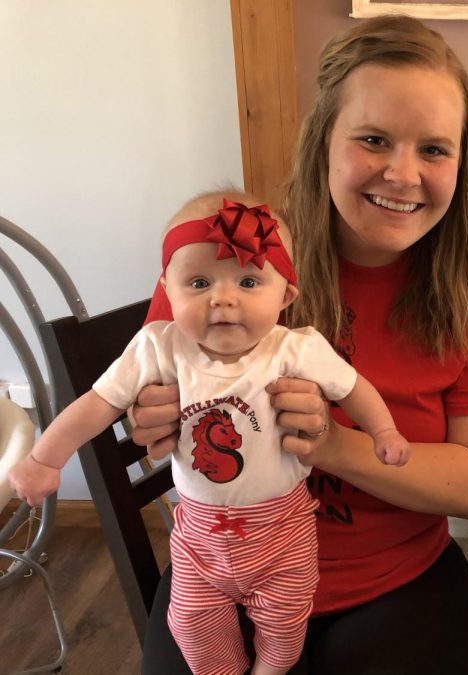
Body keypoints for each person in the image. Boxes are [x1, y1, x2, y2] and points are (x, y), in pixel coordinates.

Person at [134, 15, 468, 675]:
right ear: (323, 143)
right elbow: (145, 396)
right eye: (374, 139)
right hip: (221, 572)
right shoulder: (229, 257)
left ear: (462, 163)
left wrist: (337, 446)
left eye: (434, 149)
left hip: (397, 583)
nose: (403, 174)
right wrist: (147, 414)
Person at [10, 191, 410, 675]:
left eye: (247, 280)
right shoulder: (160, 347)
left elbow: (353, 388)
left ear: (285, 296)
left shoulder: (293, 349)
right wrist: (44, 459)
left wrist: (383, 430)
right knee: (192, 626)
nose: (223, 298)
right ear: (167, 289)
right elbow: (96, 405)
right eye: (199, 282)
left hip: (282, 534)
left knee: (286, 628)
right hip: (198, 539)